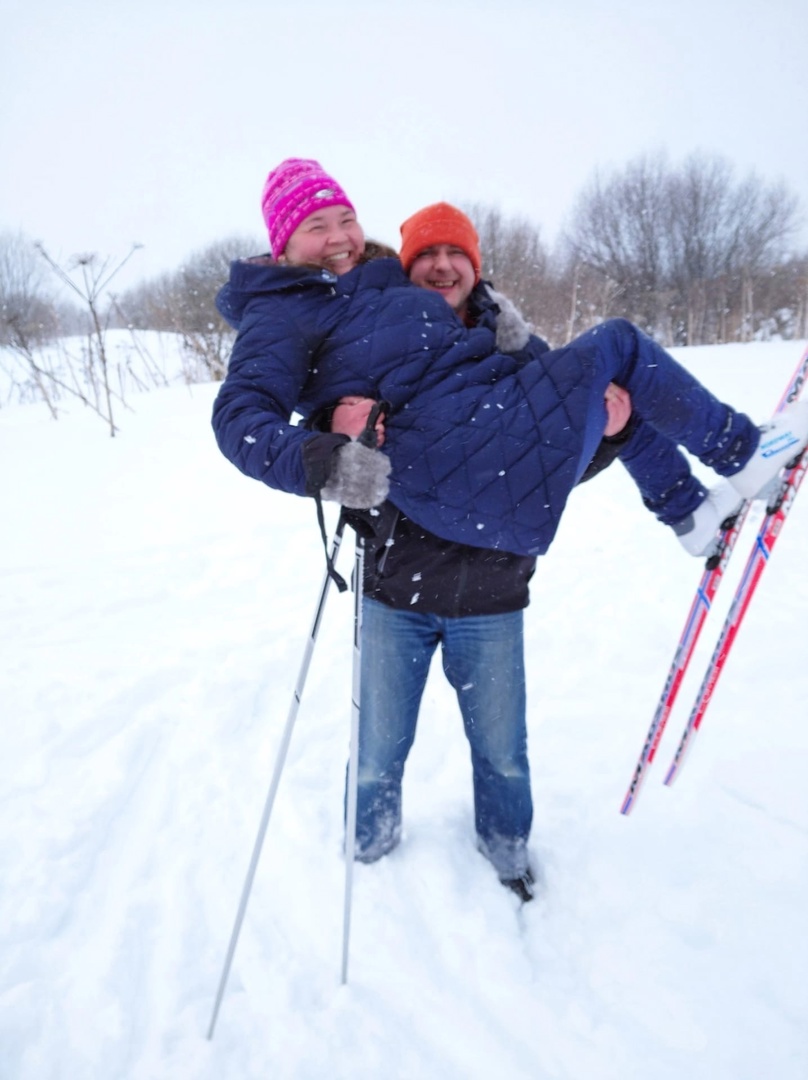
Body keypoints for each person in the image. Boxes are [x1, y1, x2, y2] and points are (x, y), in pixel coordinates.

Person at [212, 158, 808, 565]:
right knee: (618, 342)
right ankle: (744, 453)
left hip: (479, 424)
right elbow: (239, 418)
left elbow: (423, 350)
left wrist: (501, 325)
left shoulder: (376, 285)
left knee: (613, 372)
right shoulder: (282, 311)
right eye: (316, 226)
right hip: (456, 452)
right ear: (284, 243)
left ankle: (689, 513)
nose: (338, 235)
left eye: (345, 218)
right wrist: (326, 457)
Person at [323, 203, 553, 901]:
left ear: (475, 266)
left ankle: (507, 849)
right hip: (395, 589)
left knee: (503, 756)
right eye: (427, 254)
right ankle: (368, 846)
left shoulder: (518, 353)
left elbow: (560, 450)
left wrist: (610, 428)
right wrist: (336, 427)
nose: (442, 265)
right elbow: (320, 422)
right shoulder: (374, 340)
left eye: (456, 254)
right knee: (376, 754)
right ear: (407, 263)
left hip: (491, 595)